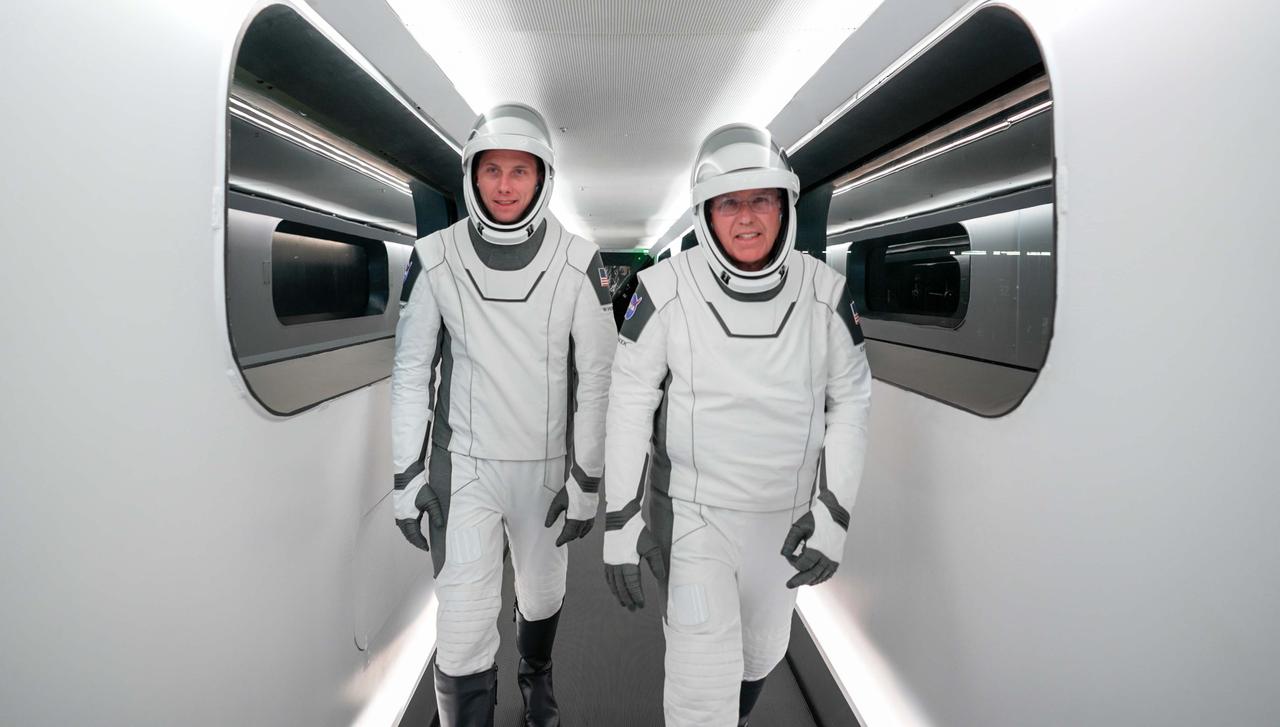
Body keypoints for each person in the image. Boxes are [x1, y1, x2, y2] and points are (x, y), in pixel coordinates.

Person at [602, 123, 871, 727]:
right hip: (696, 518)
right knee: (701, 691)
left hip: (785, 522)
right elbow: (627, 405)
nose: (747, 218)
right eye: (730, 203)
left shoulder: (826, 295)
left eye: (761, 200)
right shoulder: (661, 290)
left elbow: (852, 402)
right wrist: (621, 520)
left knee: (759, 658)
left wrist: (835, 513)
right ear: (705, 213)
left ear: (784, 206)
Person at [391, 103, 616, 727]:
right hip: (464, 469)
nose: (507, 185)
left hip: (546, 471)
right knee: (461, 627)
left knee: (542, 594)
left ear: (543, 178)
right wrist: (406, 477)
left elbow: (596, 382)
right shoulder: (434, 257)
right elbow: (412, 374)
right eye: (493, 170)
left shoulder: (579, 261)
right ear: (473, 175)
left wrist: (586, 481)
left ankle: (535, 676)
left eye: (521, 171)